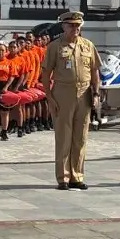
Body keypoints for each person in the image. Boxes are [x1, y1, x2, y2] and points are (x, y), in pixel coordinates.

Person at [40, 11, 101, 191]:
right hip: (63, 92)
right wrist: (49, 97)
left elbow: (95, 71)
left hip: (84, 93)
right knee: (63, 137)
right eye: (71, 25)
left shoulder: (88, 45)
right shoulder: (54, 47)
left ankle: (77, 176)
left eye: (77, 25)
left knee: (81, 137)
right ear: (64, 26)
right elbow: (45, 73)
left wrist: (96, 93)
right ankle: (63, 177)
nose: (75, 28)